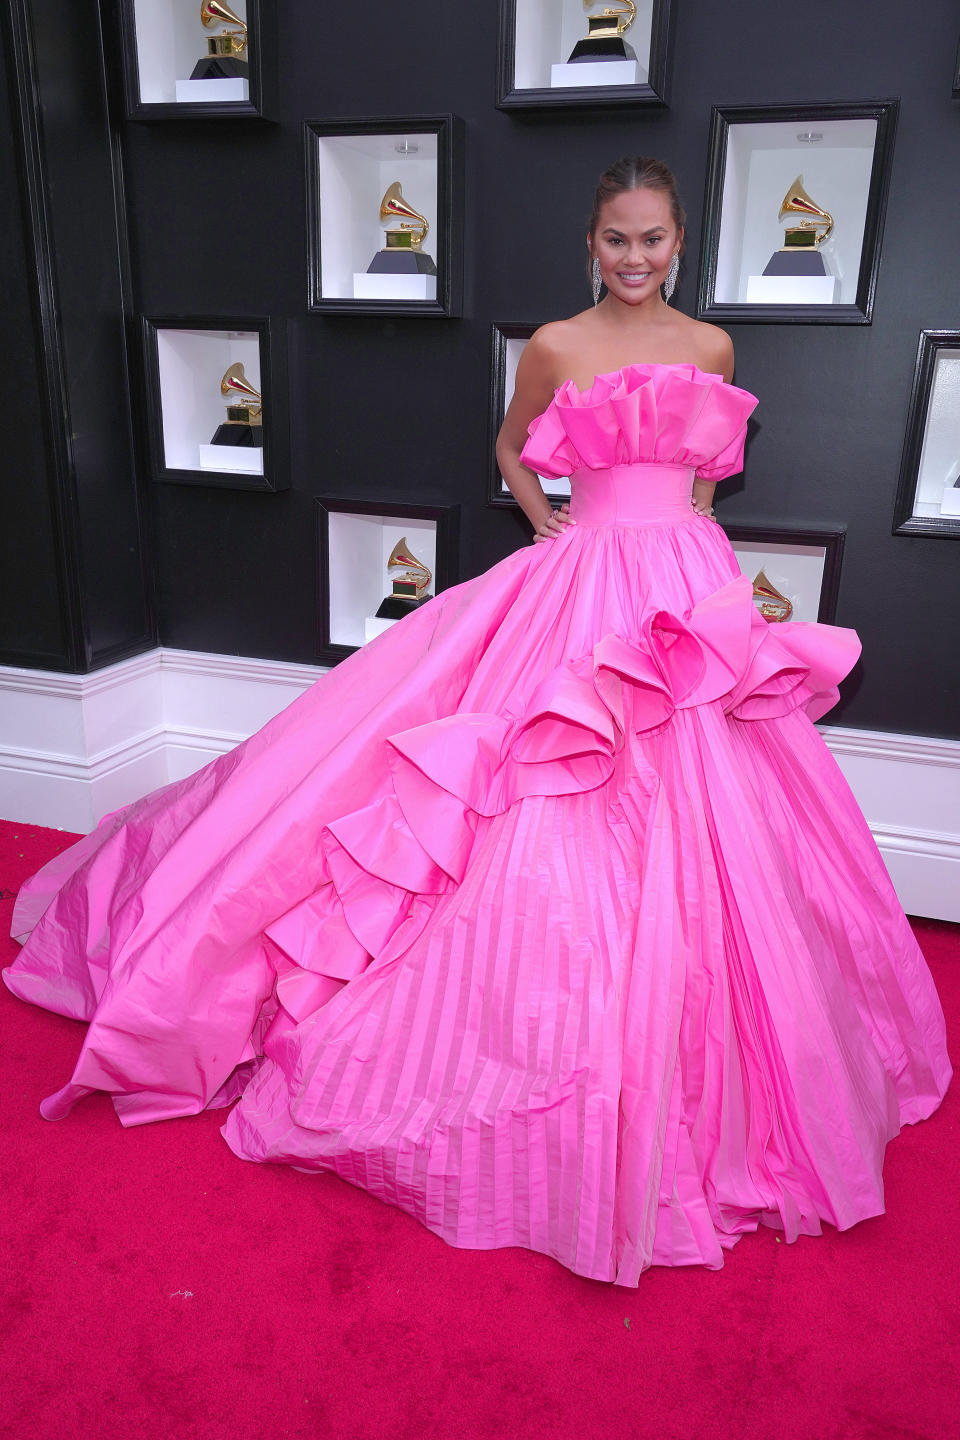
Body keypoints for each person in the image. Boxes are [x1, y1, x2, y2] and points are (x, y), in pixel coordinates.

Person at [4, 157, 951, 1288]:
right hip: (580, 585)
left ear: (681, 241)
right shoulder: (555, 344)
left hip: (685, 595)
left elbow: (706, 477)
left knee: (718, 810)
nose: (635, 258)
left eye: (652, 239)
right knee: (530, 793)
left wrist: (699, 543)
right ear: (590, 244)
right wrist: (551, 521)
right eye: (616, 240)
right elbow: (514, 444)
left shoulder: (712, 349)